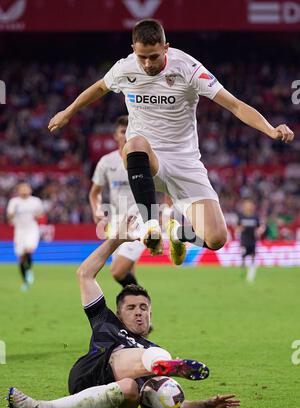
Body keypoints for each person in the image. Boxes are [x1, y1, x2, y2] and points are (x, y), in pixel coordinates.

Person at [48, 19, 294, 266]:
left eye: (153, 57)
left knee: (217, 237)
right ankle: (151, 225)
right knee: (133, 144)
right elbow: (99, 88)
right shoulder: (124, 68)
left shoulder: (188, 68)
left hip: (185, 162)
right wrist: (68, 112)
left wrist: (270, 130)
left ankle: (176, 233)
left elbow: (234, 105)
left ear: (166, 47)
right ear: (133, 49)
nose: (147, 64)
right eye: (142, 57)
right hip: (147, 157)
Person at [8, 216, 240, 408]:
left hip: (119, 394)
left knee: (133, 390)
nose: (139, 312)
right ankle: (41, 407)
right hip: (90, 374)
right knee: (151, 359)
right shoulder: (106, 321)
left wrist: (205, 405)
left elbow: (165, 399)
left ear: (151, 314)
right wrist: (116, 240)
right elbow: (84, 274)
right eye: (131, 308)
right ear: (119, 313)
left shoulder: (151, 346)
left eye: (143, 307)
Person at [89, 115, 144, 288]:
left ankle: (143, 299)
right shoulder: (107, 162)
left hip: (140, 219)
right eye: (122, 131)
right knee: (127, 274)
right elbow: (94, 193)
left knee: (117, 271)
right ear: (115, 135)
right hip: (116, 222)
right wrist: (96, 209)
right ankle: (137, 308)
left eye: (130, 130)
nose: (126, 134)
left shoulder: (145, 159)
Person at [6, 182, 44, 291]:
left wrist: (38, 216)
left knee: (29, 250)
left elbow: (41, 214)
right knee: (21, 258)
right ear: (18, 190)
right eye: (22, 188)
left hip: (32, 229)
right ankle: (25, 282)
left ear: (30, 190)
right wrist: (13, 213)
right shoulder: (14, 202)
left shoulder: (36, 201)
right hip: (19, 231)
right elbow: (9, 218)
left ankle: (29, 270)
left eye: (26, 188)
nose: (24, 190)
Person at [237, 199, 265, 282]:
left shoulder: (255, 217)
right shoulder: (241, 216)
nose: (248, 207)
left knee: (253, 255)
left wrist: (259, 231)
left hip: (252, 240)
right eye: (247, 205)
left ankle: (251, 272)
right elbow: (237, 227)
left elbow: (260, 227)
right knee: (243, 255)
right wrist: (240, 229)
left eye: (250, 205)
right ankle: (243, 268)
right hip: (244, 240)